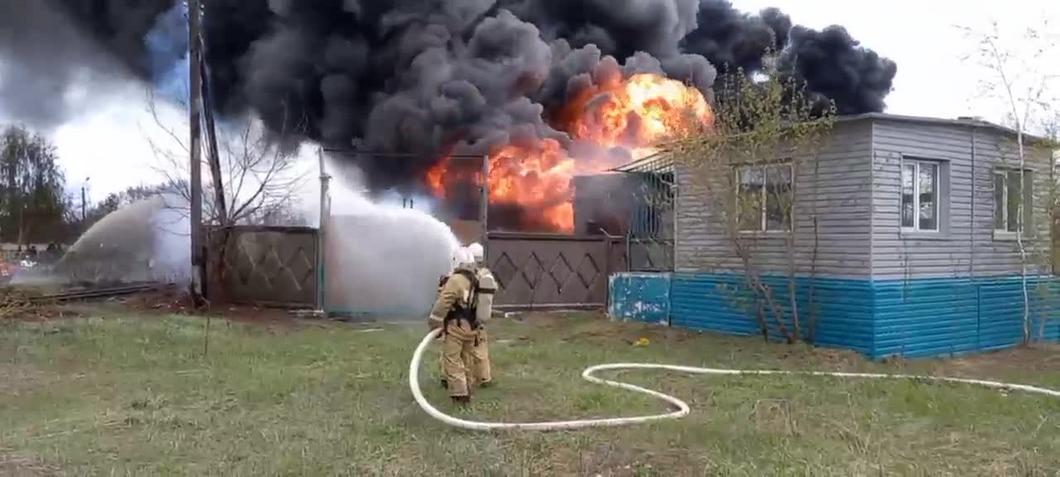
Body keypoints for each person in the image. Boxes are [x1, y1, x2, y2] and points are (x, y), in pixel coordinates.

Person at [428, 247, 481, 405]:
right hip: (472, 327)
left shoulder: (456, 280)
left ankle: (460, 395)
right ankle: (469, 389)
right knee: (467, 358)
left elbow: (443, 303)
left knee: (452, 359)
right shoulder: (476, 278)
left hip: (456, 326)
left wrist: (434, 322)